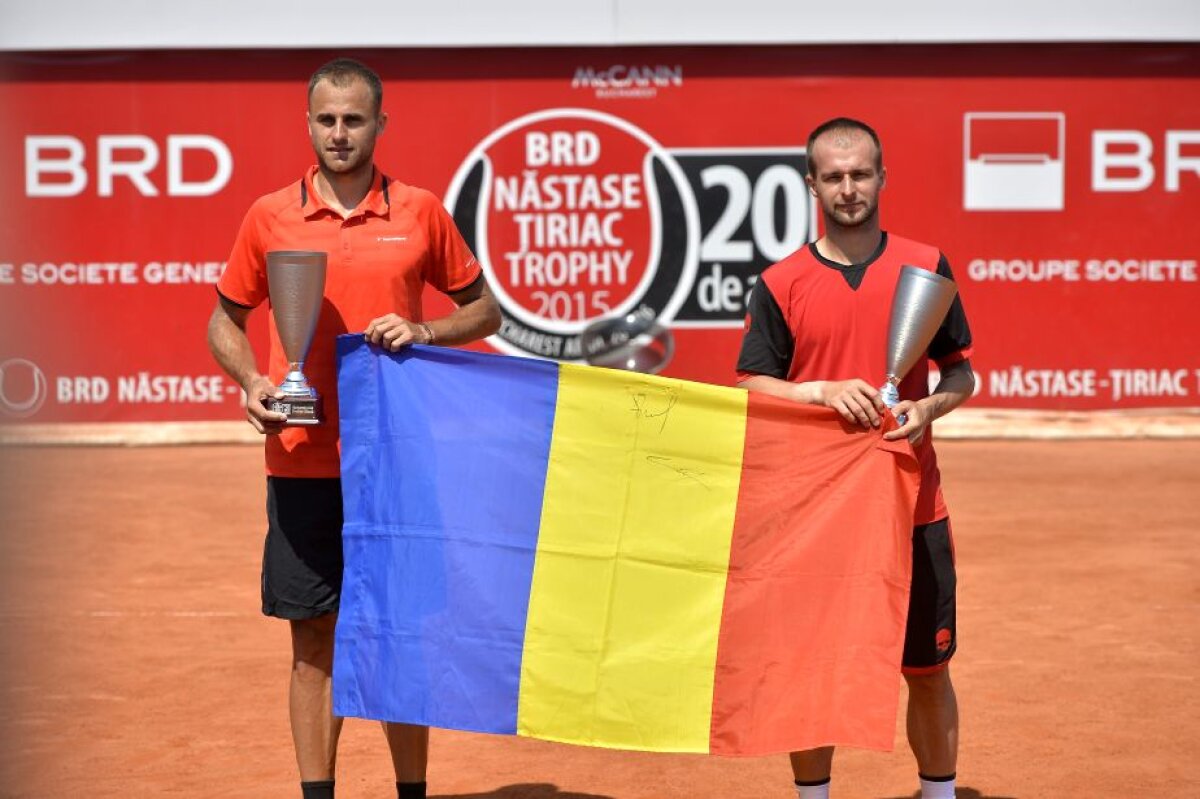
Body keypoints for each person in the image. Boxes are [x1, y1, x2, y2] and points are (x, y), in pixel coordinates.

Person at [207, 57, 501, 799]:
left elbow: (485, 310)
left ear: (380, 124)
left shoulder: (420, 210)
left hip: (398, 463)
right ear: (308, 124)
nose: (339, 133)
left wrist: (426, 330)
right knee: (313, 639)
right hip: (301, 460)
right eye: (327, 119)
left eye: (354, 119)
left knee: (403, 637)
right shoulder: (268, 216)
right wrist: (254, 381)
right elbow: (224, 321)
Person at [736, 117, 975, 799]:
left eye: (861, 174)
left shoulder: (926, 265)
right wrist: (818, 390)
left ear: (882, 178)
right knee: (811, 671)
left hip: (913, 508)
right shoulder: (780, 282)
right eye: (834, 176)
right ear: (812, 185)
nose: (849, 188)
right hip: (817, 516)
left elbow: (961, 374)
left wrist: (927, 408)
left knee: (928, 670)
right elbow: (751, 384)